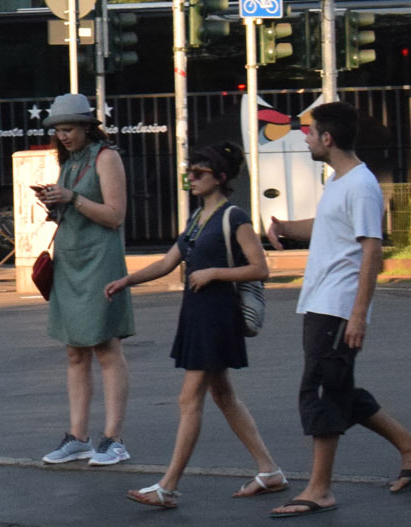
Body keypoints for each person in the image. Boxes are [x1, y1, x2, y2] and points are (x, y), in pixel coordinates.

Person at [261, 101, 411, 516]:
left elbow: (371, 250)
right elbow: (329, 226)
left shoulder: (361, 185)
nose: (304, 138)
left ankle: (320, 489)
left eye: (309, 132)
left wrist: (358, 315)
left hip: (337, 307)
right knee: (341, 388)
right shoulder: (340, 182)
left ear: (327, 138)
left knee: (322, 391)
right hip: (323, 303)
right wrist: (287, 228)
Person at [104, 144, 287, 508]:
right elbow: (169, 261)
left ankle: (168, 486)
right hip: (197, 315)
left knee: (190, 399)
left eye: (199, 173)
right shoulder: (196, 218)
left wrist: (215, 272)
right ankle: (269, 471)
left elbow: (261, 268)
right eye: (190, 172)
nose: (191, 178)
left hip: (217, 317)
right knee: (222, 395)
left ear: (220, 177)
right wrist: (127, 281)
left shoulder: (234, 217)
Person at [33, 95, 134, 467]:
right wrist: (54, 202)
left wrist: (72, 197)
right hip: (71, 259)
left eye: (70, 129)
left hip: (100, 260)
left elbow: (115, 215)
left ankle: (114, 438)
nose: (63, 136)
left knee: (106, 348)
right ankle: (78, 436)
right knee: (74, 350)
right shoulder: (70, 161)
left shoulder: (106, 157)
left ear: (88, 126)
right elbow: (75, 209)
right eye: (59, 130)